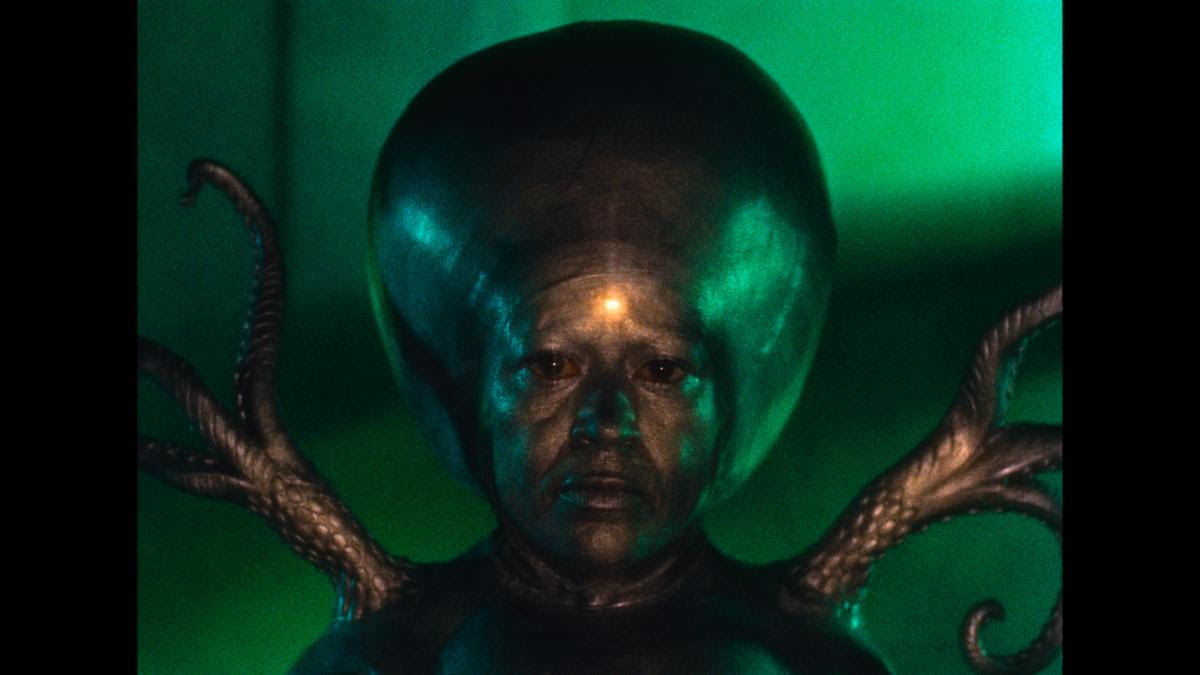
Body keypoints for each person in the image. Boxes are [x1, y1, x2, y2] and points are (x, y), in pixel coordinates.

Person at [138, 20, 1060, 674]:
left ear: (733, 395)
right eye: (550, 366)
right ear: (470, 390)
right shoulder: (390, 653)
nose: (606, 421)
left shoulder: (804, 653)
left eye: (662, 370)